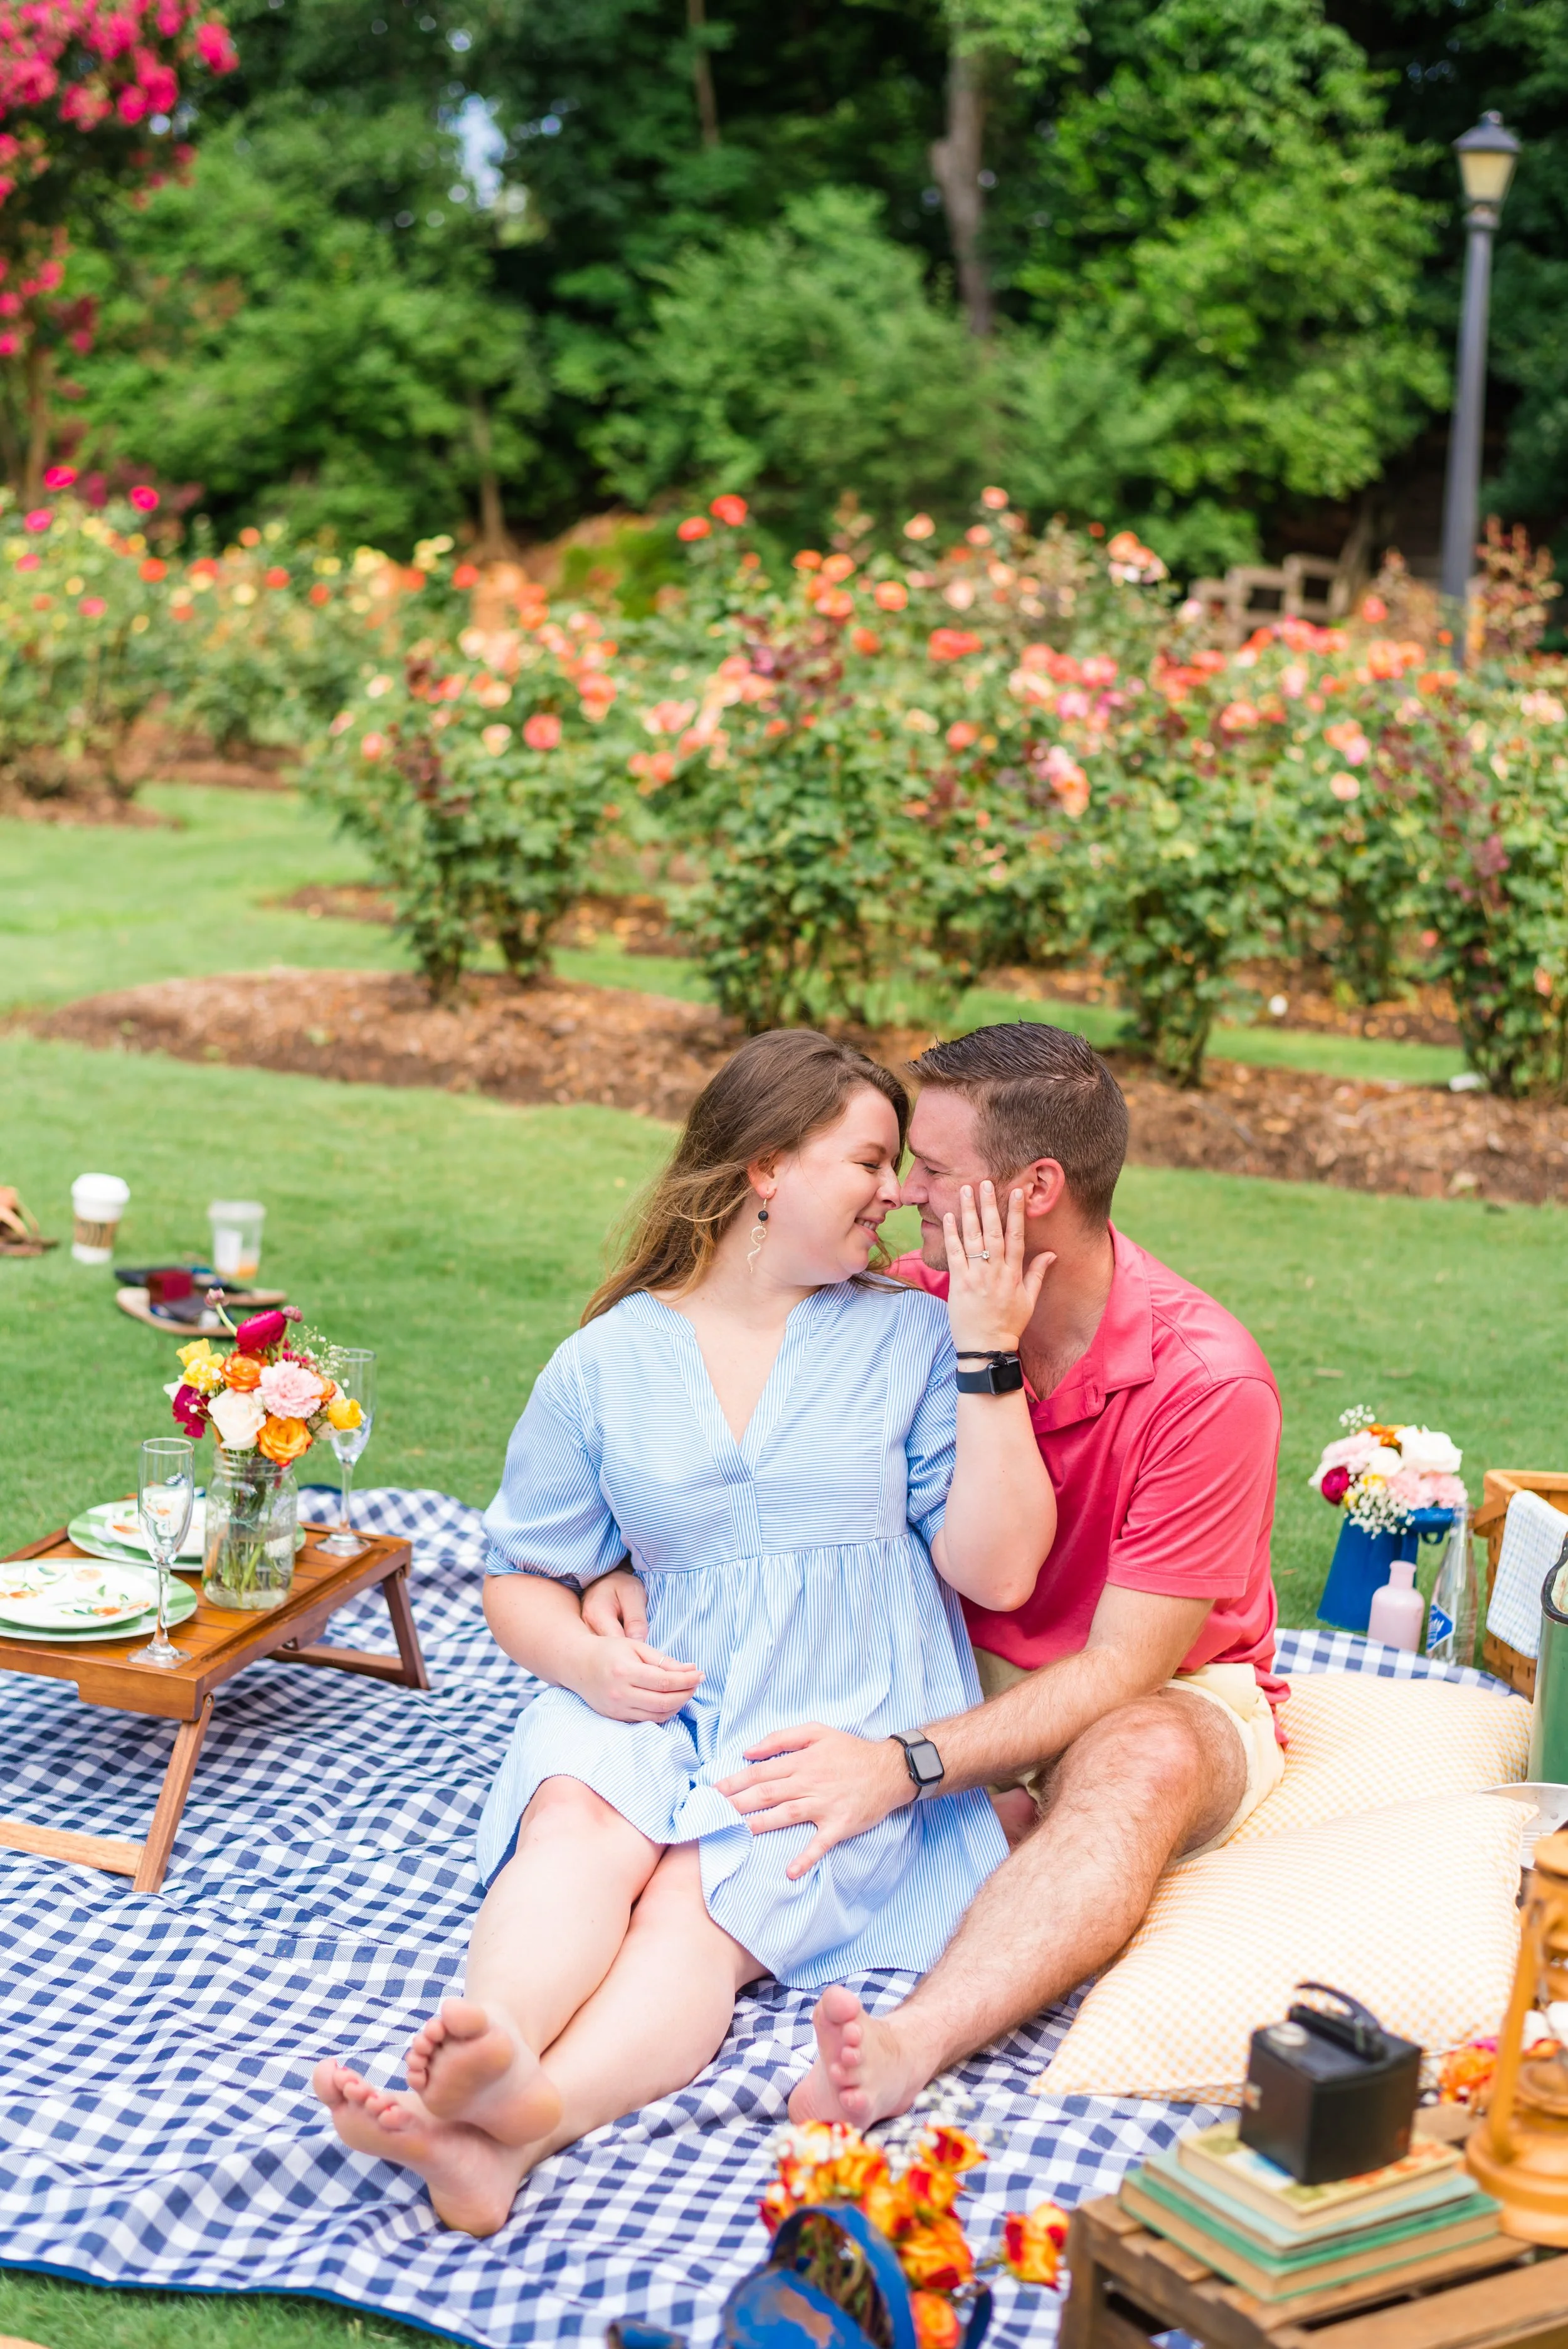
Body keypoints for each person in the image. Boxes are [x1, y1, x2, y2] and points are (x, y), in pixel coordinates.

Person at [315, 1028, 1057, 2232]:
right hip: (655, 1695)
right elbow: (519, 1576)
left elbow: (1003, 1569)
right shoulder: (602, 1365)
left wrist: (988, 1350)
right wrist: (587, 1661)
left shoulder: (913, 1337)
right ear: (767, 1167)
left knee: (690, 1905)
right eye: (871, 1162)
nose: (898, 1193)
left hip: (839, 1720)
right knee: (573, 1815)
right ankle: (491, 2045)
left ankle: (518, 2126)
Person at [604, 1019, 1285, 2129]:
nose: (907, 1196)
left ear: (1034, 1190)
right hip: (937, 1670)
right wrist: (609, 1571)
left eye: (934, 1170)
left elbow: (1122, 1670)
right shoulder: (907, 1309)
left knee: (1144, 1756)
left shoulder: (1207, 1383)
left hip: (1143, 1692)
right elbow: (709, 1437)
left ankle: (908, 2042)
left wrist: (904, 1765)